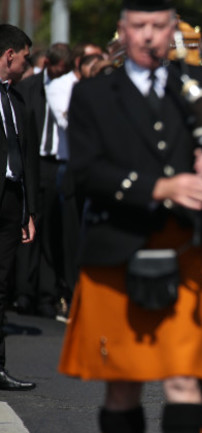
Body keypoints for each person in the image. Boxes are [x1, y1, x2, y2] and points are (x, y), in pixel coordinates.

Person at [56, 0, 202, 431]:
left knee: (184, 381)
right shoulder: (94, 93)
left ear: (173, 29)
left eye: (158, 25)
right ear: (123, 31)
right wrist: (158, 187)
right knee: (123, 385)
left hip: (186, 253)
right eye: (139, 26)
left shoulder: (199, 83)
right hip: (115, 252)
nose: (149, 35)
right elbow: (85, 170)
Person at [14, 42, 74, 319]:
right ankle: (25, 291)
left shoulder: (73, 89)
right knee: (30, 227)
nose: (61, 76)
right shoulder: (29, 88)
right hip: (33, 162)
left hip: (57, 164)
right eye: (57, 70)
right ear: (48, 63)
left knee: (52, 231)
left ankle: (47, 295)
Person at [0, 23, 37, 390]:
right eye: (25, 57)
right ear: (9, 54)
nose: (29, 64)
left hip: (11, 204)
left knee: (2, 286)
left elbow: (26, 159)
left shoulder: (15, 98)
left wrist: (28, 212)